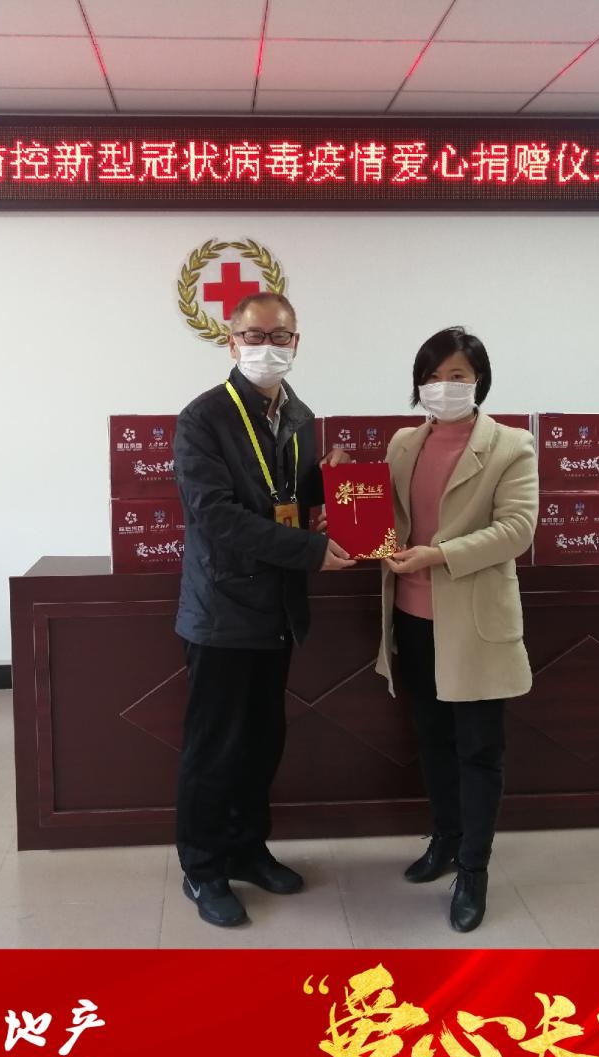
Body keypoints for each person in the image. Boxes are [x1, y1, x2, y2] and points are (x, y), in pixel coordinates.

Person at [173, 291, 355, 928]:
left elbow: (289, 498)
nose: (267, 347)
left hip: (276, 608)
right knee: (215, 746)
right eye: (254, 336)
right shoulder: (203, 418)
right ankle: (203, 867)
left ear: (297, 342)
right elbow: (216, 515)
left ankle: (248, 849)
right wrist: (310, 550)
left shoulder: (300, 417)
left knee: (261, 742)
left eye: (280, 336)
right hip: (222, 609)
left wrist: (329, 483)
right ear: (232, 342)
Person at [375, 326, 537, 932]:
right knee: (433, 741)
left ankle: (474, 869)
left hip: (473, 624)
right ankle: (444, 839)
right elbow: (379, 515)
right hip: (412, 619)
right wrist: (341, 486)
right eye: (432, 377)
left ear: (479, 381)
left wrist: (438, 555)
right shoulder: (403, 444)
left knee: (478, 750)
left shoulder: (511, 446)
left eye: (457, 376)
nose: (443, 387)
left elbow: (517, 530)